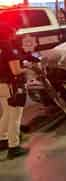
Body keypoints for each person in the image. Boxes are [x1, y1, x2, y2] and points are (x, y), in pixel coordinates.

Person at [0, 24, 29, 159]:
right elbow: (16, 71)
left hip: (1, 85)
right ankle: (14, 146)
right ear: (10, 33)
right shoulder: (10, 49)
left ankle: (2, 139)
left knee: (6, 113)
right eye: (14, 31)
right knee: (15, 116)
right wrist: (28, 68)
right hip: (11, 85)